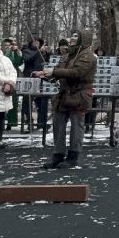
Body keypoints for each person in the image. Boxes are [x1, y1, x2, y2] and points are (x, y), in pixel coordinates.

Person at [40, 31, 96, 169]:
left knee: (76, 128)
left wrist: (54, 72)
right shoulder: (66, 56)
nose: (72, 38)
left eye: (76, 36)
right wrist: (46, 75)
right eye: (72, 36)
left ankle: (73, 157)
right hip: (63, 95)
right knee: (58, 125)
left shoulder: (88, 56)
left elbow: (77, 73)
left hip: (79, 95)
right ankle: (57, 155)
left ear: (84, 40)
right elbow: (59, 73)